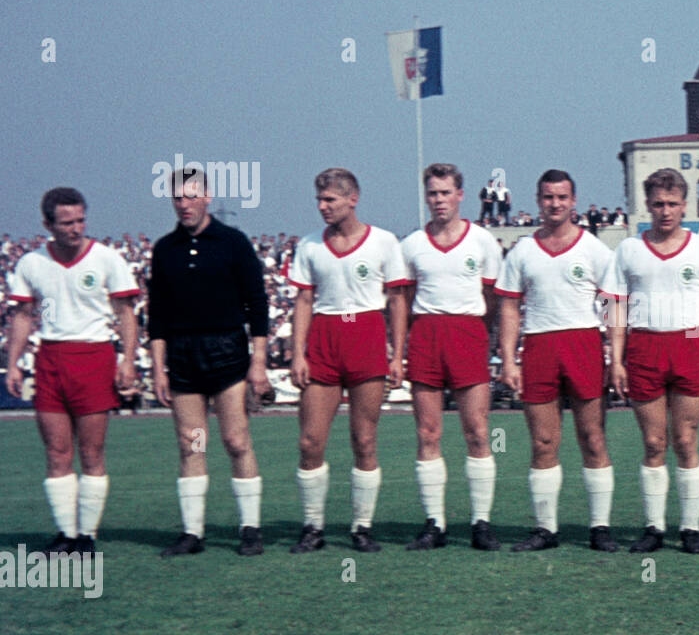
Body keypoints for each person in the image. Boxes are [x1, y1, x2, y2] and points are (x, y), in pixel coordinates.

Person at [6, 188, 139, 555]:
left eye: (80, 220)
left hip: (94, 357)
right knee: (57, 452)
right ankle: (66, 533)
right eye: (66, 223)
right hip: (49, 359)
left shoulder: (108, 259)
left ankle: (88, 535)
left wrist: (128, 358)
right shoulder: (31, 263)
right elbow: (22, 316)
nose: (75, 228)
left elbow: (126, 313)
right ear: (48, 224)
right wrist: (14, 362)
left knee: (92, 453)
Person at [601, 168, 699, 554]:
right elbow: (614, 305)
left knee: (686, 441)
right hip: (644, 347)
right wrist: (615, 358)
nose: (665, 211)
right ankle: (654, 527)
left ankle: (690, 528)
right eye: (658, 204)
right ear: (647, 205)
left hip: (689, 343)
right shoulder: (629, 249)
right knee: (654, 442)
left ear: (685, 205)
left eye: (673, 204)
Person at [148, 169, 271, 557]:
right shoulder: (165, 249)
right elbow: (158, 315)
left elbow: (257, 303)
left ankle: (250, 528)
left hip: (227, 353)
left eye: (191, 196)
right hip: (184, 359)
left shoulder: (232, 243)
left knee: (236, 440)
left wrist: (259, 361)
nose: (184, 204)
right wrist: (157, 367)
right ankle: (193, 533)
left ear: (207, 197)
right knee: (193, 444)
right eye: (177, 198)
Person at [287, 168, 410, 553]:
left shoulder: (385, 242)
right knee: (310, 441)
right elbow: (303, 301)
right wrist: (297, 354)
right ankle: (313, 526)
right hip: (324, 338)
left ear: (352, 199)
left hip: (367, 336)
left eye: (330, 200)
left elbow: (397, 301)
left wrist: (398, 354)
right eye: (319, 200)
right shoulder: (309, 246)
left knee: (365, 439)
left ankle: (361, 526)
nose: (323, 207)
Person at [496, 170, 616, 551]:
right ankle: (546, 529)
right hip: (539, 347)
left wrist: (616, 356)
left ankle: (600, 527)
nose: (555, 204)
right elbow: (510, 308)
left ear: (574, 201)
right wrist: (509, 360)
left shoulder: (595, 249)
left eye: (562, 197)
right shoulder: (522, 251)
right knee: (544, 441)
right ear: (538, 200)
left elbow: (615, 305)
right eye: (548, 197)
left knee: (593, 438)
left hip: (583, 343)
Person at [400, 163, 502, 551]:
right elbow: (404, 301)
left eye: (445, 193)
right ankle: (435, 523)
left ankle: (481, 522)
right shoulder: (412, 244)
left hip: (468, 333)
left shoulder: (483, 241)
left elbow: (493, 299)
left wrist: (482, 335)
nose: (439, 200)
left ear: (461, 195)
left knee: (477, 431)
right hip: (426, 334)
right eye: (432, 193)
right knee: (428, 433)